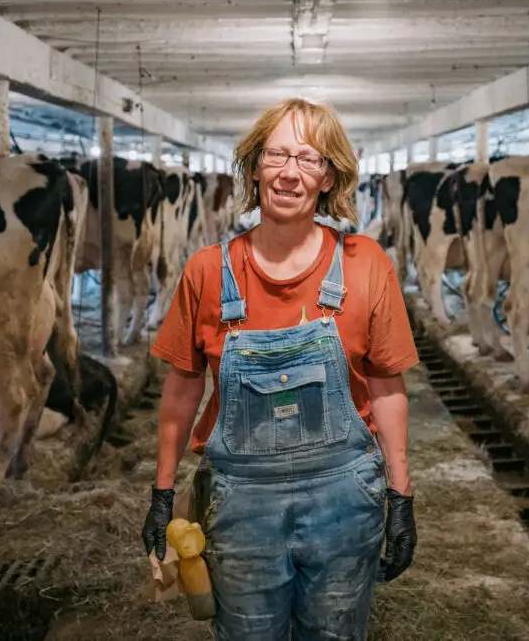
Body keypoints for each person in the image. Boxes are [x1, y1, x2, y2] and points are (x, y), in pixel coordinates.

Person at [141, 97, 419, 640]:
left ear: (328, 176)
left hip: (344, 503)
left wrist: (401, 497)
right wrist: (161, 492)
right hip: (241, 506)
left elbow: (388, 388)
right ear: (254, 166)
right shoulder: (206, 271)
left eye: (309, 159)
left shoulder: (367, 265)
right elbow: (180, 393)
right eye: (277, 155)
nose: (290, 172)